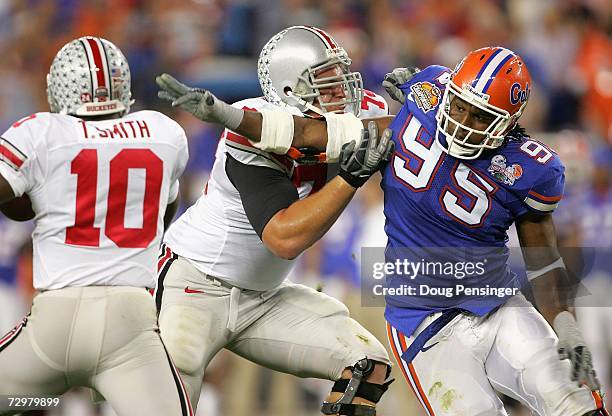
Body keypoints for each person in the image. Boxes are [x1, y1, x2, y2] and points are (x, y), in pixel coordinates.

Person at [157, 45, 609, 416]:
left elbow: (544, 258)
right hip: (423, 320)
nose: (463, 122)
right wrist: (228, 115)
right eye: (460, 106)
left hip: (495, 302)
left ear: (508, 123)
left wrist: (565, 323)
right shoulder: (422, 102)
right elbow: (308, 134)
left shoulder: (533, 168)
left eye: (480, 117)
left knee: (577, 402)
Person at [155, 26, 395, 416]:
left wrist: (425, 102)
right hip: (196, 285)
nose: (341, 89)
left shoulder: (357, 112)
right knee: (171, 399)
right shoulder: (251, 134)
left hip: (264, 296)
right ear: (288, 91)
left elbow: (397, 131)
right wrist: (349, 178)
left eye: (340, 75)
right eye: (325, 80)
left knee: (367, 366)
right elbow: (284, 237)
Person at [0, 36, 193, 416]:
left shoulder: (41, 131)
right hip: (132, 325)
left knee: (23, 402)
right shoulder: (164, 132)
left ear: (59, 87)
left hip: (56, 319)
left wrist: (32, 198)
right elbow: (160, 219)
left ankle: (37, 405)